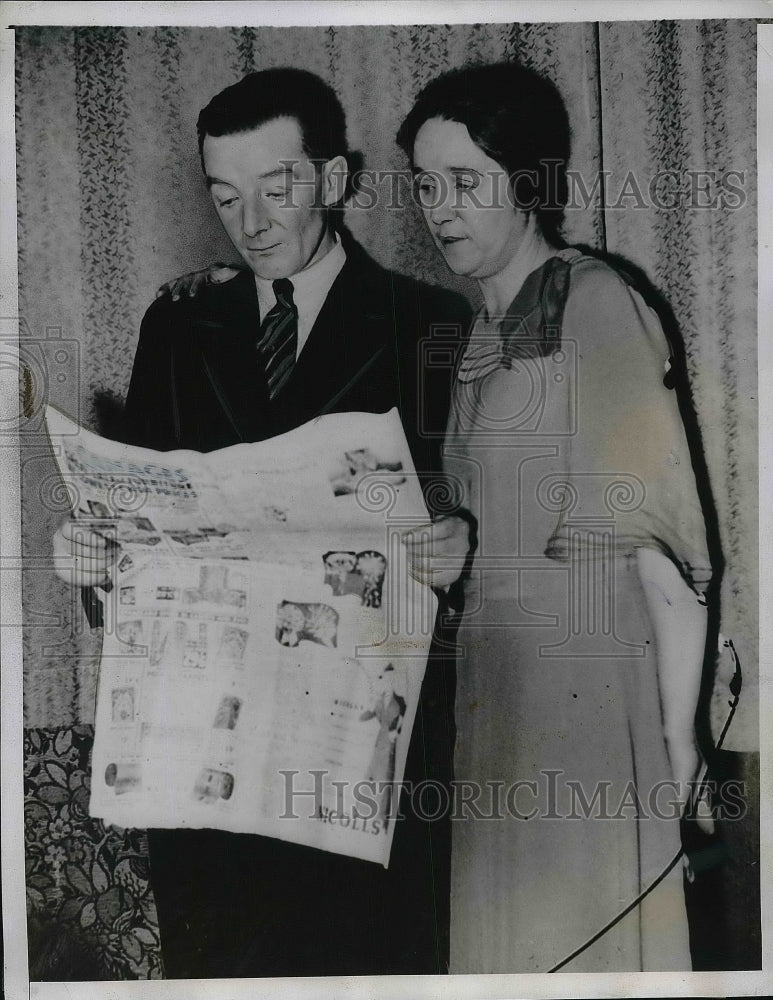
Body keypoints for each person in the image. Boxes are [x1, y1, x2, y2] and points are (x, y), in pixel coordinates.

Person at [53, 67, 473, 978]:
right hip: (208, 759)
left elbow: (471, 529)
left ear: (334, 179)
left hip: (354, 757)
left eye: (275, 189)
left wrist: (459, 552)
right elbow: (140, 519)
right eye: (225, 195)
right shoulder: (177, 324)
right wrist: (94, 554)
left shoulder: (430, 324)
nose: (249, 223)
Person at [395, 62, 713, 973]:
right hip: (495, 703)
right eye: (424, 184)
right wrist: (453, 547)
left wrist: (677, 741)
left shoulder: (596, 301)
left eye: (465, 181)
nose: (438, 208)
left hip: (587, 711)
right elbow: (491, 531)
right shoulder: (472, 346)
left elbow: (661, 552)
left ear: (528, 184)